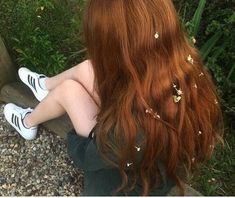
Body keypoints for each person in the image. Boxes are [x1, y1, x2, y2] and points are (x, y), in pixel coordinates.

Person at [4, 0, 223, 196]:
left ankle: (28, 122)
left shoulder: (136, 128)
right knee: (89, 70)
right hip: (143, 145)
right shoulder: (187, 70)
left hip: (122, 180)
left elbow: (90, 157)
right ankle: (44, 86)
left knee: (69, 91)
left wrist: (77, 142)